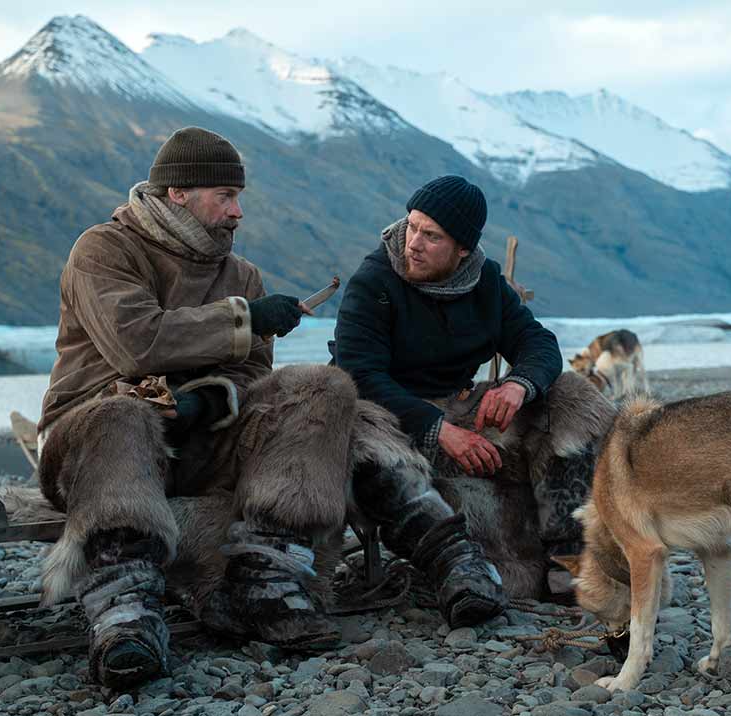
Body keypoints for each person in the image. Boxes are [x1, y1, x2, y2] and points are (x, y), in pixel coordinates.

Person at [36, 128, 503, 689]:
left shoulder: (241, 273)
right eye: (224, 196)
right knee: (123, 414)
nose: (238, 211)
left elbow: (251, 378)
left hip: (199, 439)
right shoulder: (105, 250)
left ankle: (269, 580)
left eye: (240, 197)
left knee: (324, 389)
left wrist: (207, 400)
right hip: (93, 439)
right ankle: (125, 617)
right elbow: (134, 342)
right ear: (177, 193)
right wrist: (244, 319)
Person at [334, 176, 615, 602]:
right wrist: (439, 429)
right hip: (388, 419)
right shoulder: (375, 281)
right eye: (412, 226)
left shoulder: (484, 281)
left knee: (572, 395)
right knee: (366, 422)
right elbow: (360, 375)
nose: (413, 243)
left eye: (431, 236)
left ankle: (571, 553)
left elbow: (538, 343)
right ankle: (468, 569)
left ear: (462, 248)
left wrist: (519, 386)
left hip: (461, 406)